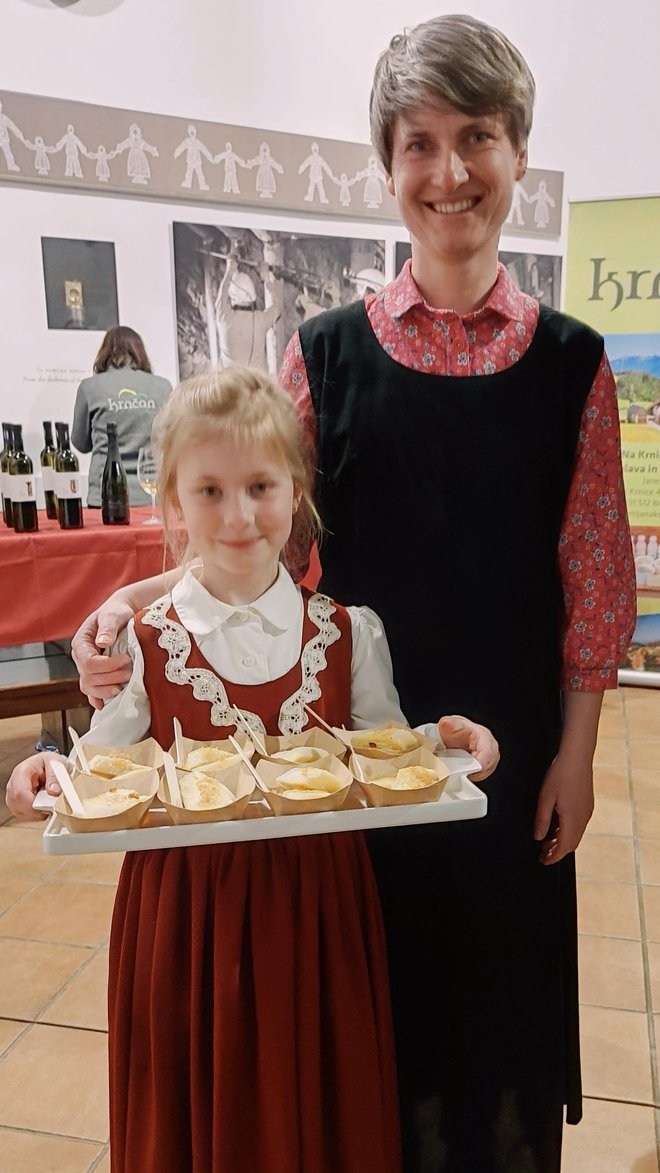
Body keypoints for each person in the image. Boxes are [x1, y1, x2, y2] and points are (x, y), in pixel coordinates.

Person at [40, 15, 636, 1171]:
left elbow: (594, 577)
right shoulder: (326, 351)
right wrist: (131, 606)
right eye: (420, 142)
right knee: (371, 1020)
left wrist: (577, 753)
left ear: (520, 155)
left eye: (478, 138)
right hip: (352, 759)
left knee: (498, 1019)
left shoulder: (572, 359)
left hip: (510, 754)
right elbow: (256, 532)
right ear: (387, 165)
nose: (450, 172)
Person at [7, 366, 499, 1173]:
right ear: (171, 505)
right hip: (186, 919)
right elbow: (103, 763)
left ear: (297, 491)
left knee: (314, 1097)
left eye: (261, 485)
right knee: (203, 1111)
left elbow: (384, 751)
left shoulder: (348, 633)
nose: (238, 515)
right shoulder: (149, 640)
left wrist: (442, 740)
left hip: (318, 910)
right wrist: (48, 771)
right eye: (209, 490)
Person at [71, 326, 172, 506]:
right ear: (140, 352)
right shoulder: (163, 387)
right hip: (152, 492)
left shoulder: (90, 387)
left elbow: (80, 442)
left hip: (106, 494)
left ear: (104, 352)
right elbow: (171, 439)